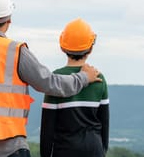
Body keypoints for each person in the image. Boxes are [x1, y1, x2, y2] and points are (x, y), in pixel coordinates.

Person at [0, 0, 102, 157]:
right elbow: (50, 83)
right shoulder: (15, 51)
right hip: (12, 148)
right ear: (9, 19)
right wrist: (83, 78)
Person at [40, 18, 109, 157]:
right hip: (94, 149)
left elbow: (48, 127)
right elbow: (105, 123)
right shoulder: (99, 79)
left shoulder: (56, 79)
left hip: (65, 150)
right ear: (90, 49)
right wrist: (102, 150)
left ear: (62, 47)